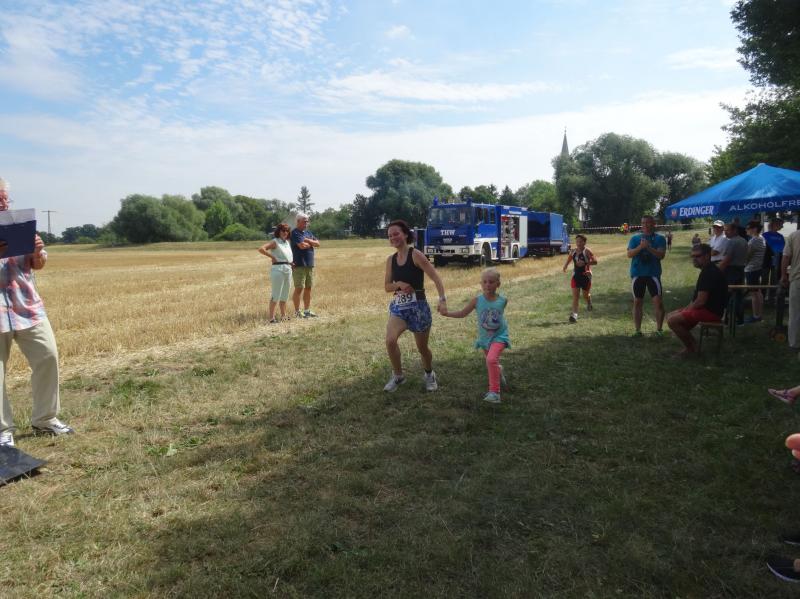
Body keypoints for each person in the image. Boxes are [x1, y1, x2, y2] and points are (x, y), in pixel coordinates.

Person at [0, 177, 73, 448]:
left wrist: (37, 252)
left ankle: (45, 419)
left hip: (27, 306)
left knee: (48, 356)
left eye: (5, 198)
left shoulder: (18, 225)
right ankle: (2, 430)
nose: (3, 203)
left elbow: (35, 266)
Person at [383, 220, 447, 393]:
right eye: (390, 235)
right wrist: (399, 284)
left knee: (422, 348)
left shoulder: (416, 255)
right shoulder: (391, 260)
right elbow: (387, 287)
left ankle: (429, 374)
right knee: (390, 340)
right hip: (399, 307)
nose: (393, 237)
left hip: (418, 308)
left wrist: (442, 299)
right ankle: (398, 376)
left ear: (405, 234)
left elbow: (436, 277)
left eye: (396, 233)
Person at [441, 268, 509, 403]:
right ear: (481, 284)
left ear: (498, 284)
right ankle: (498, 371)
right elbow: (462, 313)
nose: (487, 285)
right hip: (485, 339)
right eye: (485, 282)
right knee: (491, 362)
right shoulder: (477, 301)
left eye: (491, 282)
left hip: (500, 337)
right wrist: (447, 313)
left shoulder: (503, 300)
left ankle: (495, 393)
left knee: (491, 360)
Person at [666, 244, 727, 356]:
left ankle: (692, 348)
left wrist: (685, 311)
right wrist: (685, 310)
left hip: (711, 313)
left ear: (707, 256)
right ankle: (690, 344)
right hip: (709, 310)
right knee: (671, 315)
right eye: (692, 256)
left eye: (697, 256)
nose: (694, 259)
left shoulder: (708, 273)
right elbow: (696, 299)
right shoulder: (708, 270)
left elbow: (700, 301)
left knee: (672, 320)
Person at [627, 215, 667, 336]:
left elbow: (661, 255)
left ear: (653, 224)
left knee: (658, 302)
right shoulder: (635, 238)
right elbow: (629, 254)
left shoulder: (660, 238)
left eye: (648, 222)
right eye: (643, 223)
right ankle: (638, 330)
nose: (645, 225)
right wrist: (640, 247)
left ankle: (659, 330)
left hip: (653, 274)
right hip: (638, 274)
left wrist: (648, 247)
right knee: (637, 302)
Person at [258, 223, 294, 323]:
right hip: (278, 269)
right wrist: (272, 257)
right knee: (276, 294)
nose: (285, 232)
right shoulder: (275, 242)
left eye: (287, 231)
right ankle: (271, 318)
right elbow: (261, 249)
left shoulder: (287, 243)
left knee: (285, 294)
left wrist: (290, 263)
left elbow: (286, 256)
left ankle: (283, 315)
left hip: (288, 269)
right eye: (283, 230)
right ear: (279, 231)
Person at [290, 212, 320, 319]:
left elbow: (318, 243)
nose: (306, 223)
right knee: (299, 288)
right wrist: (311, 243)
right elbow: (302, 246)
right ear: (298, 221)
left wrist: (308, 241)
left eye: (307, 221)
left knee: (308, 288)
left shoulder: (308, 233)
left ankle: (307, 311)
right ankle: (297, 312)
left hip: (309, 264)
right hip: (299, 264)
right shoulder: (295, 233)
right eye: (304, 221)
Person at [562, 234, 597, 323]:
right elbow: (570, 258)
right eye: (577, 241)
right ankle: (574, 315)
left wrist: (585, 263)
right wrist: (565, 266)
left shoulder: (587, 251)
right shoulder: (573, 251)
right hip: (576, 276)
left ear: (584, 242)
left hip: (586, 276)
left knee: (585, 295)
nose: (578, 243)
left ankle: (589, 301)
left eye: (580, 241)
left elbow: (595, 261)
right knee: (575, 297)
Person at [719, 221, 748, 325]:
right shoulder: (744, 241)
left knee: (727, 295)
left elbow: (727, 259)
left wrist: (718, 272)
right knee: (739, 295)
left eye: (728, 230)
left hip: (731, 271)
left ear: (735, 230)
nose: (725, 232)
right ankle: (740, 319)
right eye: (725, 230)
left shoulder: (732, 242)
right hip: (741, 269)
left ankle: (726, 318)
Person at [781, 224, 800, 350]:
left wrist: (783, 276)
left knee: (795, 313)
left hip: (797, 279)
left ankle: (794, 343)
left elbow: (786, 257)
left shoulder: (794, 235)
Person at [743, 220, 766, 323]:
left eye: (748, 228)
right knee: (758, 292)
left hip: (751, 269)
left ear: (755, 229)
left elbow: (747, 256)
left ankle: (756, 316)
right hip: (757, 268)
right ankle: (759, 315)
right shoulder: (761, 238)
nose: (746, 230)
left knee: (754, 294)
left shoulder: (754, 240)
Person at [763, 218, 786, 304]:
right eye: (781, 225)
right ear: (775, 224)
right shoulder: (765, 235)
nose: (782, 227)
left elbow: (783, 249)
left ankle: (771, 298)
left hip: (777, 260)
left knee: (774, 279)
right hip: (766, 260)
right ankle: (763, 296)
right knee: (765, 278)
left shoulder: (780, 236)